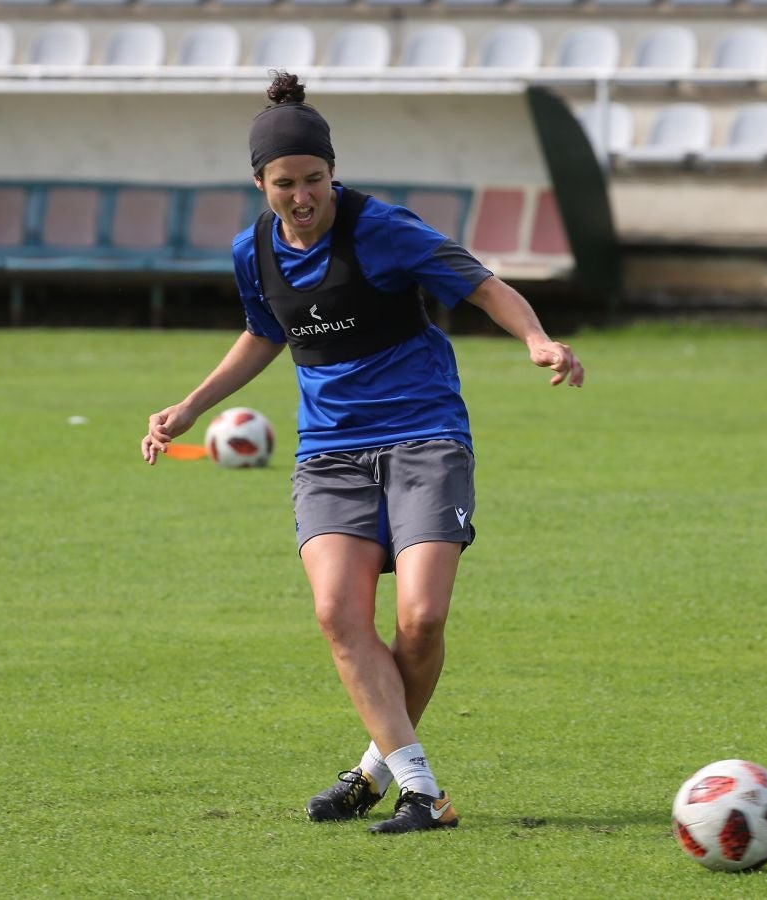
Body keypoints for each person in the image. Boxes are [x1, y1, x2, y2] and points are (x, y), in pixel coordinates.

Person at [140, 71, 584, 834]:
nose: (302, 196)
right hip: (329, 455)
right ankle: (422, 791)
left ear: (331, 173)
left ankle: (372, 771)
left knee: (421, 618)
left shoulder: (383, 229)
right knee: (338, 615)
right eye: (285, 183)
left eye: (314, 179)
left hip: (424, 438)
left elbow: (481, 286)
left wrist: (537, 339)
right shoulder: (252, 251)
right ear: (259, 182)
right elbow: (266, 332)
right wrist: (190, 406)